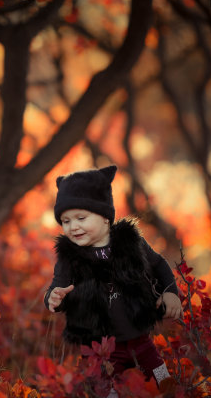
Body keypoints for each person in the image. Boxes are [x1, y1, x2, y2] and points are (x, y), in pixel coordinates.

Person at [44, 165, 182, 388]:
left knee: (164, 383)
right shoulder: (70, 256)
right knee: (103, 390)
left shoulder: (129, 242)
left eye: (81, 217)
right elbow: (57, 285)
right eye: (66, 221)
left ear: (105, 217)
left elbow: (159, 264)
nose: (73, 227)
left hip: (141, 341)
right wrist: (53, 297)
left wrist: (171, 294)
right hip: (99, 349)